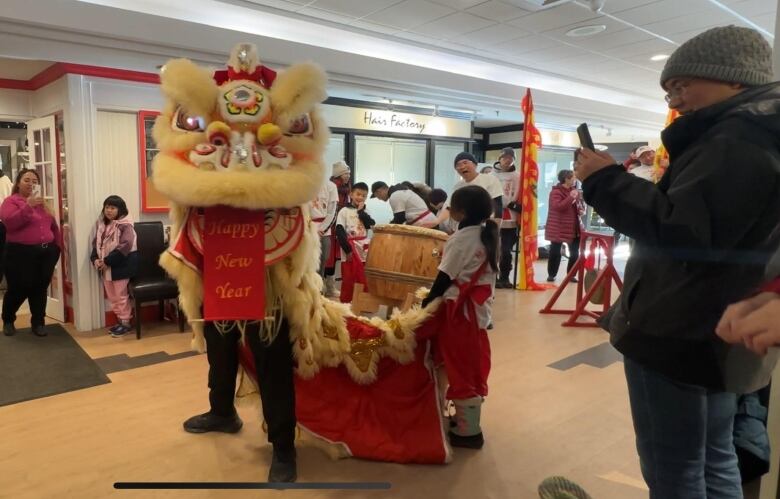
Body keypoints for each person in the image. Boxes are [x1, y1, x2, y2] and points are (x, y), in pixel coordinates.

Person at [574, 26, 780, 498]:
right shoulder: (756, 132)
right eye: (669, 90)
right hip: (715, 328)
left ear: (732, 78)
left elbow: (682, 232)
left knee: (675, 469)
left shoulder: (737, 139)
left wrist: (605, 180)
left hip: (676, 328)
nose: (677, 99)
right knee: (715, 456)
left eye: (683, 85)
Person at [421, 185, 497, 450]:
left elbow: (444, 277)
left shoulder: (461, 238)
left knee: (459, 365)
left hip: (460, 313)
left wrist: (426, 303)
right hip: (478, 313)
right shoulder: (487, 235)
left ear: (461, 211)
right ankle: (468, 423)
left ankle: (469, 432)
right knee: (472, 364)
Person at [0, 169, 61, 337]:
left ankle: (38, 322)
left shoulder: (44, 203)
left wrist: (57, 247)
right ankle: (8, 319)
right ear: (18, 182)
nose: (31, 183)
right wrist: (29, 205)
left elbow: (54, 227)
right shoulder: (10, 202)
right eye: (27, 180)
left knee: (40, 288)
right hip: (19, 253)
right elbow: (10, 223)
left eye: (35, 181)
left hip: (46, 253)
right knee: (18, 288)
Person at [90, 195, 138, 337]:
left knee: (121, 296)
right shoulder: (103, 225)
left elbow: (126, 245)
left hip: (121, 266)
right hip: (107, 267)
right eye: (107, 207)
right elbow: (96, 244)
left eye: (113, 207)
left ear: (120, 209)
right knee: (112, 296)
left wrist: (107, 261)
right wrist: (96, 260)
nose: (109, 210)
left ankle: (126, 323)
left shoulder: (125, 225)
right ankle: (119, 321)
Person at [438, 152, 503, 233]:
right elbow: (449, 208)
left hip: (485, 226)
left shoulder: (490, 180)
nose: (462, 167)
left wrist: (495, 230)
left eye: (465, 162)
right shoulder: (458, 186)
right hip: (463, 228)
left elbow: (497, 204)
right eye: (458, 165)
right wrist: (436, 222)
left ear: (475, 165)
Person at [335, 182, 375, 303]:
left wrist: (361, 212)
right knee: (348, 275)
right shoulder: (344, 211)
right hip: (350, 245)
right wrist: (347, 249)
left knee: (362, 275)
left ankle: (362, 301)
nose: (360, 198)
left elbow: (371, 225)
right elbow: (339, 230)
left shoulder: (366, 211)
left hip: (363, 246)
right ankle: (346, 301)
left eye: (364, 196)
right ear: (351, 194)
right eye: (358, 194)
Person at [491, 147, 522, 288]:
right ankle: (493, 277)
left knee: (506, 250)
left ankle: (505, 277)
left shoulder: (518, 176)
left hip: (512, 218)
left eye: (510, 158)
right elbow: (492, 194)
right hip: (495, 215)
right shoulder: (492, 176)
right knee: (493, 250)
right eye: (505, 158)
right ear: (500, 158)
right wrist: (509, 204)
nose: (507, 160)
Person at [544, 169, 582, 283]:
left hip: (574, 226)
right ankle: (551, 274)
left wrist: (581, 208)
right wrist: (571, 197)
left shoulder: (574, 191)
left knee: (575, 252)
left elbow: (579, 206)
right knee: (555, 252)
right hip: (558, 226)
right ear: (566, 179)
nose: (575, 180)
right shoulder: (555, 192)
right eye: (573, 177)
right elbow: (558, 207)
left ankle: (571, 275)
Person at [323, 161, 351, 297]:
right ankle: (326, 286)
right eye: (346, 173)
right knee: (328, 257)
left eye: (349, 173)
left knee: (333, 257)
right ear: (339, 175)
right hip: (330, 226)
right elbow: (332, 208)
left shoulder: (345, 188)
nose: (348, 176)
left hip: (340, 225)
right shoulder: (332, 187)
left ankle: (329, 285)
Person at [370, 181, 438, 228]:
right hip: (426, 220)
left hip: (426, 223)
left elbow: (400, 218)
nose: (379, 199)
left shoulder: (395, 195)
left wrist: (387, 227)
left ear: (379, 191)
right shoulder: (400, 191)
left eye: (377, 196)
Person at [310, 175, 338, 281]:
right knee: (306, 263)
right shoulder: (304, 184)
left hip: (323, 231)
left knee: (322, 261)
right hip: (306, 229)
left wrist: (322, 229)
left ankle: (319, 291)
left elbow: (332, 212)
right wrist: (309, 228)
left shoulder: (331, 186)